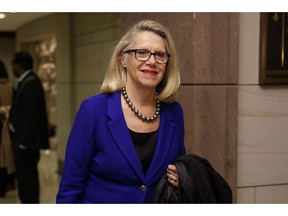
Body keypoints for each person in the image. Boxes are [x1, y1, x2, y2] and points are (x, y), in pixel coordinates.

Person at [56, 20, 186, 203]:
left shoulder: (174, 113)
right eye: (141, 52)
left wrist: (181, 178)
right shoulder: (93, 110)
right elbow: (70, 190)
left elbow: (180, 169)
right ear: (122, 59)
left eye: (160, 55)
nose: (151, 61)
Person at [9, 51, 50, 203]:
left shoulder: (30, 83)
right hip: (23, 142)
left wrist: (23, 143)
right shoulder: (26, 81)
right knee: (25, 181)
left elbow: (31, 117)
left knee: (28, 182)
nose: (12, 68)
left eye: (13, 65)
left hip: (27, 144)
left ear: (19, 65)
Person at [0, 59, 15, 197]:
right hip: (9, 123)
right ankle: (7, 183)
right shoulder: (11, 86)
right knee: (6, 155)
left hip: (1, 122)